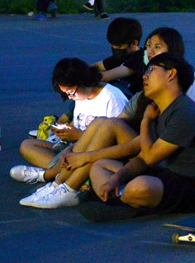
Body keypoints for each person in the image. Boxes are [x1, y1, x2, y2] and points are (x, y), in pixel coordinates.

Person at [84, 53, 195, 222]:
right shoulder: (159, 109)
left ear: (171, 74)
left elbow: (150, 158)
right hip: (170, 174)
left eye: (152, 70)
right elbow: (142, 159)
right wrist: (116, 178)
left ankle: (123, 201)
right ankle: (121, 197)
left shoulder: (184, 113)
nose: (144, 76)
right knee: (100, 166)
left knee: (140, 186)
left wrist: (145, 121)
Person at [13, 58, 129, 208]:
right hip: (76, 148)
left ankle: (57, 181)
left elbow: (112, 139)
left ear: (83, 82)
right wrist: (65, 137)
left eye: (71, 93)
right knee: (28, 145)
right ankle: (56, 181)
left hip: (98, 153)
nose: (70, 97)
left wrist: (78, 137)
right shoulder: (81, 97)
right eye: (66, 94)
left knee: (91, 145)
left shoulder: (111, 98)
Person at [92, 17, 145, 97]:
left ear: (134, 44)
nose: (115, 50)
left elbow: (105, 77)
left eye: (119, 47)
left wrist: (81, 77)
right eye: (112, 46)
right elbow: (99, 65)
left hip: (134, 98)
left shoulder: (139, 59)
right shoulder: (123, 55)